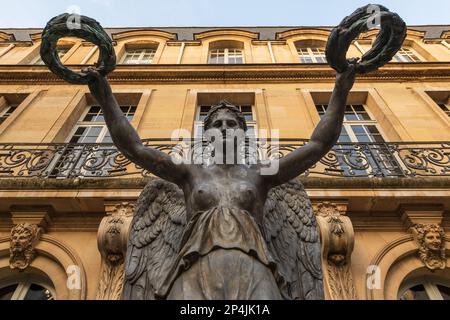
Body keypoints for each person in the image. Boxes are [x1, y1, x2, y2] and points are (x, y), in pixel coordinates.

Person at [81, 60, 357, 299]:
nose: (224, 128)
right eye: (217, 124)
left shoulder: (261, 174)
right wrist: (105, 97)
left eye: (232, 123)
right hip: (193, 268)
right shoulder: (189, 173)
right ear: (207, 133)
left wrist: (341, 89)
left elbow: (318, 144)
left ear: (242, 132)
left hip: (254, 267)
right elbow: (135, 148)